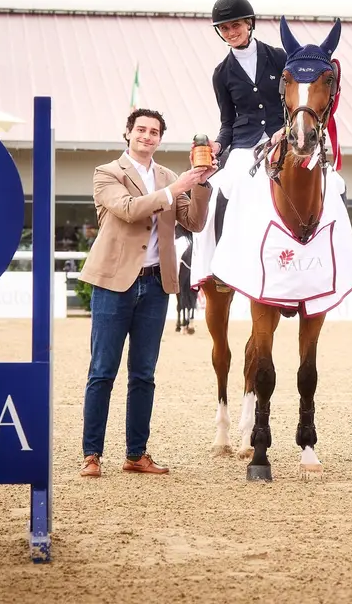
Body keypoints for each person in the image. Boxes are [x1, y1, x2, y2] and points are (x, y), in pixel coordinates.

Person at [78, 108, 215, 477]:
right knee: (102, 371)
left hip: (156, 285)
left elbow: (194, 222)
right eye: (141, 129)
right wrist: (175, 189)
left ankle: (136, 454)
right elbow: (128, 209)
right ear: (128, 133)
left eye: (154, 132)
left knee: (143, 374)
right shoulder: (107, 172)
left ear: (159, 139)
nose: (147, 136)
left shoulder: (169, 176)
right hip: (114, 283)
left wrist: (200, 184)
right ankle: (92, 454)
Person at [190, 0, 290, 286]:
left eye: (236, 25)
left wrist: (286, 129)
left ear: (249, 24)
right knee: (224, 186)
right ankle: (219, 264)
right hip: (246, 143)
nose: (231, 32)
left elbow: (295, 100)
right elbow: (227, 122)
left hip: (283, 136)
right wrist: (219, 145)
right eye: (225, 28)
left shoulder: (279, 57)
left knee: (331, 181)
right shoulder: (221, 74)